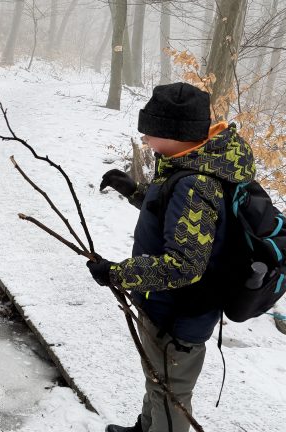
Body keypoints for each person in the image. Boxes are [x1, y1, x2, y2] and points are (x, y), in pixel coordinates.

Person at [87, 83, 255, 432]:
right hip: (167, 305)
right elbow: (174, 217)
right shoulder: (190, 164)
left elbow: (185, 265)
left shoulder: (196, 183)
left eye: (151, 129)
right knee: (157, 379)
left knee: (170, 391)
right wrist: (134, 191)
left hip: (181, 314)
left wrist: (118, 273)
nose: (144, 136)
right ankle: (145, 427)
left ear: (175, 133)